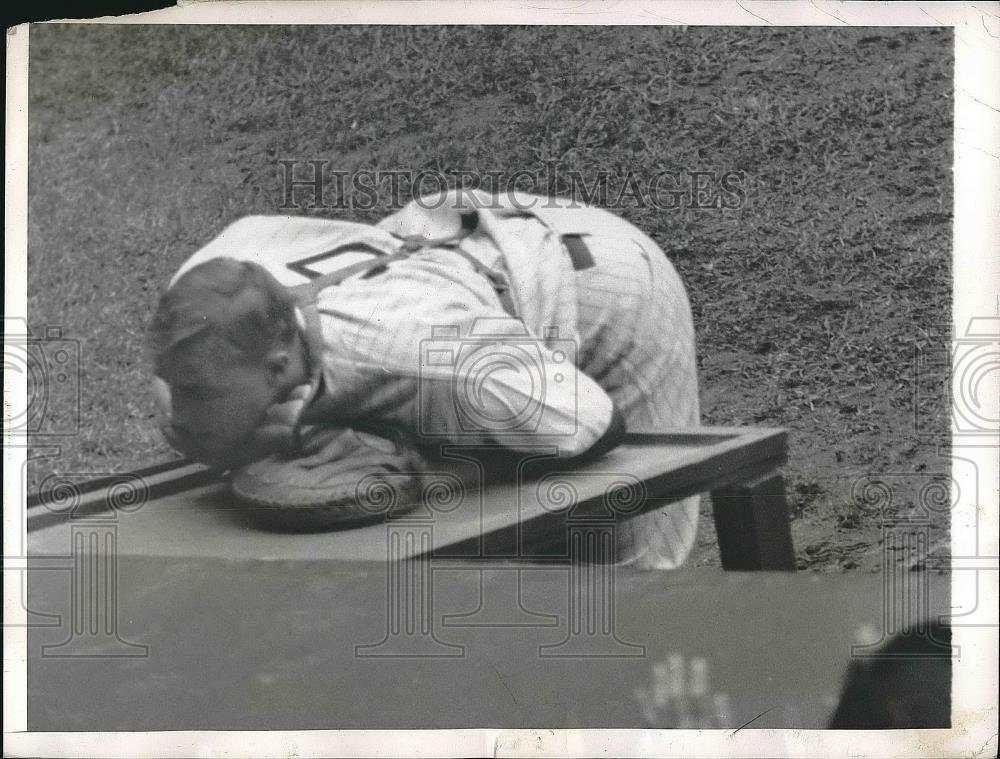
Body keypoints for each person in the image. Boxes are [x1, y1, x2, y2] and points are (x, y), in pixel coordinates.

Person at [148, 189, 700, 568]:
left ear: (275, 370)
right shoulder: (206, 294)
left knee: (634, 581)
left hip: (602, 292)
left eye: (199, 395)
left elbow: (594, 424)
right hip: (467, 250)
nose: (177, 413)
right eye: (177, 385)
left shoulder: (417, 353)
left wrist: (426, 471)